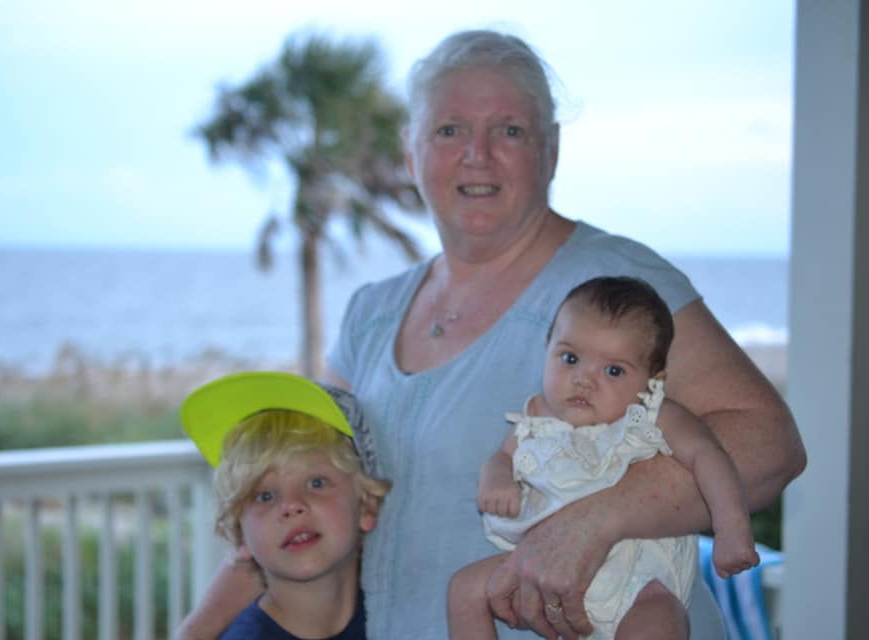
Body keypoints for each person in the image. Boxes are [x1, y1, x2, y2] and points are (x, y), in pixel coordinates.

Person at [177, 30, 806, 640]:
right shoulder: (369, 315)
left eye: (509, 130)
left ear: (551, 150)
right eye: (449, 130)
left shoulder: (613, 284)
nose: (477, 154)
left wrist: (597, 520)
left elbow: (768, 443)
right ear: (410, 152)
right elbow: (299, 496)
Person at [447, 276, 760, 640]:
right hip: (542, 568)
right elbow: (502, 457)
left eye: (613, 370)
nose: (583, 380)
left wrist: (732, 529)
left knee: (658, 626)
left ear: (652, 381)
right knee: (464, 590)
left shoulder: (653, 416)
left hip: (642, 582)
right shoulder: (538, 416)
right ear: (546, 349)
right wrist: (497, 478)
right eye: (570, 358)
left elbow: (710, 458)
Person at [180, 371, 390, 640]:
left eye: (316, 483)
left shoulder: (399, 619)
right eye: (264, 496)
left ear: (367, 507)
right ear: (239, 534)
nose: (291, 506)